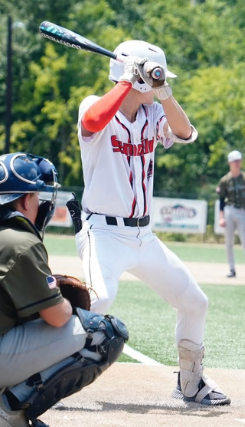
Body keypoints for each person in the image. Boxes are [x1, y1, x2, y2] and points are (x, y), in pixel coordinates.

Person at [75, 40, 229, 405]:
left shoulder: (153, 113)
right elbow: (92, 121)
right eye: (154, 76)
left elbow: (185, 132)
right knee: (98, 300)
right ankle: (29, 375)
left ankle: (191, 384)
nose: (160, 81)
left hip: (144, 236)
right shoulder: (94, 104)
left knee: (195, 301)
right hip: (103, 232)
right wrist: (127, 81)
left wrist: (163, 91)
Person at [0, 153, 127, 427]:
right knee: (105, 332)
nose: (40, 203)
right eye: (37, 196)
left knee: (17, 318)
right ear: (24, 200)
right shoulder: (20, 241)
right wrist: (64, 302)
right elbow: (57, 318)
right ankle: (9, 409)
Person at [217, 148, 245, 278]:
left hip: (242, 211)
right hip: (229, 210)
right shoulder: (224, 180)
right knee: (229, 242)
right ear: (230, 162)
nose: (237, 163)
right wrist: (221, 217)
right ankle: (232, 269)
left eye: (239, 160)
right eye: (235, 161)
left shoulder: (244, 178)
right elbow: (221, 200)